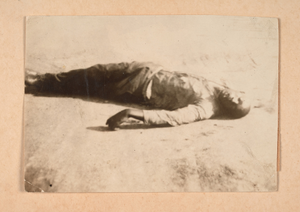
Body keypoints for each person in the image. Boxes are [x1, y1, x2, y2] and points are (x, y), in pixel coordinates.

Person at [25, 61, 251, 130]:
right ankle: (44, 79)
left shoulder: (206, 107)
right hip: (145, 69)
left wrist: (132, 113)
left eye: (235, 106)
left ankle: (38, 84)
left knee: (87, 85)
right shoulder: (220, 86)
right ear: (240, 92)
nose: (233, 99)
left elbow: (175, 118)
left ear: (227, 110)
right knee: (95, 71)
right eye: (239, 98)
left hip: (136, 88)